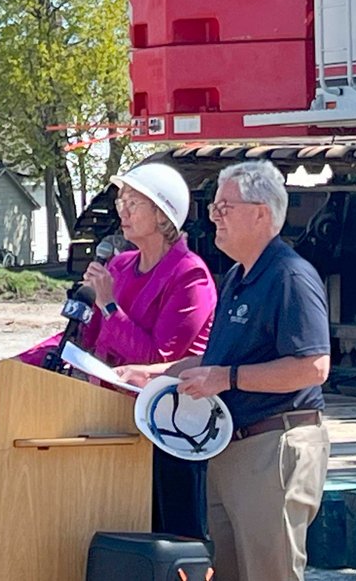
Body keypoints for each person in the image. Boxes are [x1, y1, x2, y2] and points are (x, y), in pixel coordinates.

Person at [119, 160, 331, 581]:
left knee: (271, 572)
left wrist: (229, 379)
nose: (213, 216)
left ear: (261, 213)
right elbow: (215, 359)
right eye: (214, 206)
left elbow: (313, 366)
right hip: (233, 448)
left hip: (273, 445)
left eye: (224, 207)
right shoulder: (238, 277)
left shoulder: (290, 276)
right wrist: (157, 375)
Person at [18, 161, 217, 539]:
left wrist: (109, 305)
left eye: (133, 202)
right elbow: (79, 340)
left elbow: (158, 360)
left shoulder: (190, 276)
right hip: (114, 420)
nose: (121, 209)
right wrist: (14, 363)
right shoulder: (121, 265)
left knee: (169, 534)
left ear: (162, 216)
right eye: (121, 200)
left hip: (168, 431)